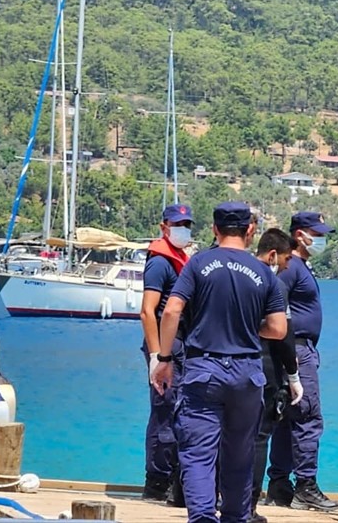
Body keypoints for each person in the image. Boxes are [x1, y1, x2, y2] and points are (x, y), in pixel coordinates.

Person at [150, 201, 287, 523]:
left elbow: (171, 311)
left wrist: (164, 358)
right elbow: (279, 329)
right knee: (239, 454)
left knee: (198, 454)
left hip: (204, 370)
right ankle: (235, 518)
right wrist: (247, 326)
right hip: (247, 373)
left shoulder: (198, 263)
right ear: (250, 230)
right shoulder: (263, 272)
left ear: (214, 229)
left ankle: (202, 517)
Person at [267, 210, 338, 511]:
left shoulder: (299, 267)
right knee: (308, 417)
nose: (322, 240)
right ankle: (305, 486)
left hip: (300, 348)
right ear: (300, 235)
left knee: (289, 418)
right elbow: (276, 305)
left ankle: (279, 484)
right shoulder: (291, 268)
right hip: (297, 349)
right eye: (318, 234)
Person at [140, 204, 194, 503]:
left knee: (177, 410)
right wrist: (156, 356)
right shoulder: (160, 263)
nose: (183, 230)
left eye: (187, 224)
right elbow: (148, 312)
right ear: (164, 227)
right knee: (165, 411)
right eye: (177, 224)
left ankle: (172, 477)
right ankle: (157, 483)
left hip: (178, 343)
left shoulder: (180, 259)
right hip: (165, 345)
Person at [250, 229, 305, 523]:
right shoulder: (274, 284)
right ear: (273, 255)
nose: (287, 265)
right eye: (285, 259)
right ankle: (247, 507)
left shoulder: (236, 276)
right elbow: (284, 335)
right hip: (264, 367)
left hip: (225, 364)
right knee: (258, 438)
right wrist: (293, 377)